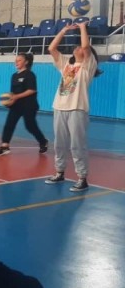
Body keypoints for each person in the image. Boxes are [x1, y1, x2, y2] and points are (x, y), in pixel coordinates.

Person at [45, 21, 100, 192]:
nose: (77, 48)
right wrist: (64, 30)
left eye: (80, 48)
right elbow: (51, 48)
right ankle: (59, 172)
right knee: (59, 144)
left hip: (77, 110)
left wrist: (82, 27)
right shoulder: (66, 65)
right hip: (59, 108)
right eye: (76, 47)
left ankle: (82, 178)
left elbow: (85, 46)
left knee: (77, 145)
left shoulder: (87, 66)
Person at [0, 52, 48, 157]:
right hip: (16, 105)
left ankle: (43, 141)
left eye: (19, 60)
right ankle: (5, 146)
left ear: (26, 62)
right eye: (16, 60)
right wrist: (9, 101)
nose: (16, 62)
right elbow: (12, 93)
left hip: (29, 105)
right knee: (9, 124)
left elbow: (31, 90)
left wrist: (17, 97)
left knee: (30, 126)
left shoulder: (30, 74)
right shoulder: (14, 76)